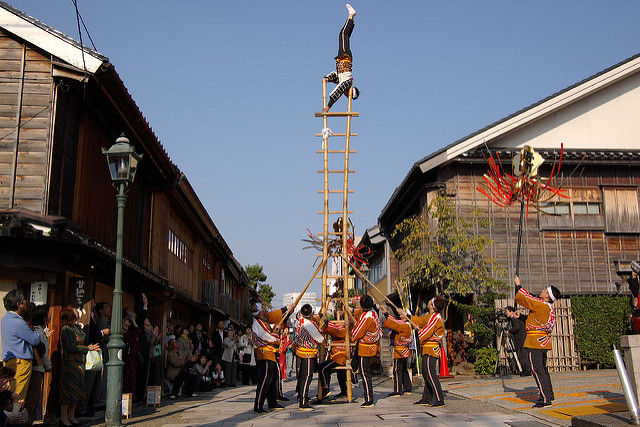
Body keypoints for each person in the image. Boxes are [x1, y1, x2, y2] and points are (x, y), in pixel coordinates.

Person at [514, 276, 561, 408]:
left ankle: (545, 399)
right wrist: (523, 317)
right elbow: (536, 321)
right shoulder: (547, 307)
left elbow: (526, 298)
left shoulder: (541, 304)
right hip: (543, 340)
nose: (542, 290)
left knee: (536, 369)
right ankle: (549, 393)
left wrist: (518, 285)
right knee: (542, 369)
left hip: (535, 341)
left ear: (547, 296)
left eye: (545, 290)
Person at [250, 299, 294, 414]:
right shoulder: (258, 323)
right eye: (263, 309)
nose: (265, 311)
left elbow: (274, 315)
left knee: (273, 378)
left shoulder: (262, 320)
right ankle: (258, 405)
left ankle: (272, 402)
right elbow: (269, 337)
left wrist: (287, 309)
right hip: (265, 354)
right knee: (265, 380)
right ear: (260, 312)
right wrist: (278, 334)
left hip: (270, 353)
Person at [59, 307, 100, 427]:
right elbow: (72, 347)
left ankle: (71, 416)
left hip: (79, 363)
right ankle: (63, 418)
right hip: (70, 363)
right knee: (68, 392)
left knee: (77, 392)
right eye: (75, 311)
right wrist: (87, 348)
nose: (77, 311)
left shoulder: (76, 327)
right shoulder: (66, 329)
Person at [403, 295, 447, 407]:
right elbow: (421, 321)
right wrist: (407, 316)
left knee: (430, 373)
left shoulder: (435, 318)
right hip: (428, 348)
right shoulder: (431, 316)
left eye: (430, 301)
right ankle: (426, 398)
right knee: (427, 373)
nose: (428, 301)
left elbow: (425, 332)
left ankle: (439, 398)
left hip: (431, 348)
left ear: (432, 306)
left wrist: (418, 329)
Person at [1, 289, 42, 403]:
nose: (25, 304)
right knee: (18, 395)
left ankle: (10, 416)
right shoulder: (18, 322)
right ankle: (15, 417)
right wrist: (38, 332)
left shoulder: (5, 319)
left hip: (9, 360)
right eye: (23, 301)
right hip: (21, 361)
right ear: (18, 304)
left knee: (9, 391)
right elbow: (34, 339)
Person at [322, 4, 360, 113]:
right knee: (343, 34)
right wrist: (329, 106)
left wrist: (327, 79)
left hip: (342, 58)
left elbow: (336, 76)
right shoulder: (348, 83)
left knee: (344, 35)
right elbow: (339, 90)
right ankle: (351, 15)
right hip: (345, 57)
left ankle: (351, 17)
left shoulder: (344, 80)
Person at [77, 301, 110, 417]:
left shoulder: (92, 317)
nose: (94, 302)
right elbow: (92, 335)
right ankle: (82, 408)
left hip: (94, 352)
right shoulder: (89, 318)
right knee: (88, 381)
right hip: (89, 351)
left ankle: (88, 405)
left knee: (93, 381)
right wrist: (102, 333)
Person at [350, 295, 381, 407]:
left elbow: (356, 334)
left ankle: (368, 398)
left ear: (362, 306)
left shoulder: (365, 317)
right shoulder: (374, 313)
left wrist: (352, 331)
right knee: (365, 371)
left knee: (364, 372)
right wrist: (352, 310)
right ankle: (368, 395)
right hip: (372, 345)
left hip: (365, 347)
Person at [293, 304, 324, 411]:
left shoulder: (299, 321)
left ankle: (302, 397)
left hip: (300, 351)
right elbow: (320, 339)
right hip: (308, 352)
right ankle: (303, 402)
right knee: (307, 376)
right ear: (311, 313)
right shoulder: (310, 324)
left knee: (303, 376)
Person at [24, 305, 52, 423]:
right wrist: (49, 365)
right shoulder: (38, 332)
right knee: (33, 398)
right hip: (37, 368)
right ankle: (29, 420)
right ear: (44, 318)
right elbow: (43, 353)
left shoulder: (37, 331)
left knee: (33, 397)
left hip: (34, 367)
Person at [380, 304, 413, 396]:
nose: (400, 316)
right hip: (405, 350)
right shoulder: (407, 325)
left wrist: (386, 312)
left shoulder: (403, 325)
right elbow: (396, 324)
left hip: (400, 350)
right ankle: (408, 387)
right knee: (403, 369)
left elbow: (394, 323)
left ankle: (397, 390)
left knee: (397, 370)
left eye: (402, 314)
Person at [318, 319, 350, 401]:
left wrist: (327, 323)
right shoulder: (343, 328)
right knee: (329, 371)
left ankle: (325, 389)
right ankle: (343, 390)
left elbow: (336, 332)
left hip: (340, 356)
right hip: (337, 356)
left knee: (322, 368)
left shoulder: (344, 330)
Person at [505, 306, 530, 376]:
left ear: (510, 311)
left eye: (506, 312)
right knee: (524, 354)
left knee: (522, 355)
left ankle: (526, 371)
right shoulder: (517, 317)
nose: (506, 314)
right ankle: (527, 370)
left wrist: (509, 331)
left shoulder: (514, 318)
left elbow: (516, 327)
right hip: (523, 337)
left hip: (520, 338)